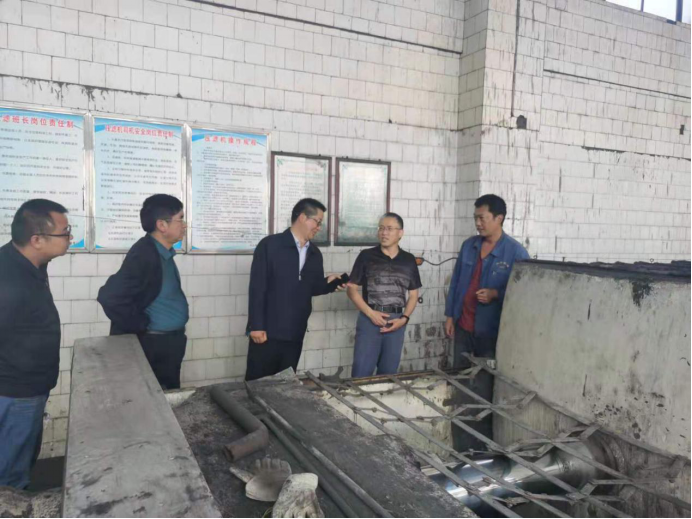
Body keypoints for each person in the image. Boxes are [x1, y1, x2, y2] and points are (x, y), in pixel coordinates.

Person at [444, 194, 529, 450]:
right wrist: (450, 315)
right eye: (476, 218)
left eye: (482, 218)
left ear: (498, 218)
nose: (477, 223)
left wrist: (495, 294)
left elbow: (523, 293)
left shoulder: (515, 252)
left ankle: (480, 447)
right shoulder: (469, 246)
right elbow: (456, 282)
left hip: (491, 333)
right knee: (461, 381)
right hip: (464, 327)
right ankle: (460, 440)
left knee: (484, 387)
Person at [0, 199, 72, 489]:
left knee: (17, 460)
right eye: (65, 232)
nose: (69, 238)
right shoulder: (9, 280)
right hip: (15, 391)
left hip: (25, 388)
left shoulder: (28, 264)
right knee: (11, 474)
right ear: (37, 240)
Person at [246, 199, 345, 381]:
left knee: (286, 384)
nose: (319, 227)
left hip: (295, 332)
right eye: (317, 222)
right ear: (302, 217)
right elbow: (257, 287)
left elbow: (312, 288)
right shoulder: (270, 245)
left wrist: (329, 282)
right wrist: (256, 326)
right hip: (267, 332)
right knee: (258, 384)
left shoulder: (314, 253)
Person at [98, 194, 189, 390]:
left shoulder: (161, 252)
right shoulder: (144, 254)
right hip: (152, 345)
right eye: (180, 219)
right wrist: (140, 325)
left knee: (166, 395)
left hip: (167, 343)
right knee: (152, 398)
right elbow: (109, 297)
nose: (185, 225)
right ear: (162, 225)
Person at [347, 213, 422, 378]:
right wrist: (370, 313)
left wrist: (404, 319)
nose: (384, 233)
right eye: (381, 228)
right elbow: (351, 289)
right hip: (369, 319)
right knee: (361, 372)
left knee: (388, 374)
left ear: (400, 233)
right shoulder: (366, 256)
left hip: (396, 322)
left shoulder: (408, 260)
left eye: (389, 229)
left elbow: (413, 294)